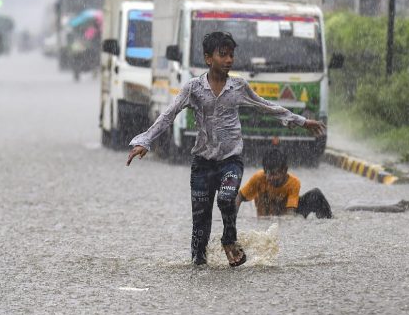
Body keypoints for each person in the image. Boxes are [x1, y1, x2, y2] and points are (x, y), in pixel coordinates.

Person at [126, 31, 326, 267]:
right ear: (208, 58)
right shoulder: (194, 88)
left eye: (231, 55)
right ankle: (198, 267)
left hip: (230, 161)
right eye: (223, 55)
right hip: (202, 164)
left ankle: (229, 240)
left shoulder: (238, 87)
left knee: (227, 196)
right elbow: (169, 115)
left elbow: (266, 107)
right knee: (200, 226)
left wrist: (302, 122)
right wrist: (145, 141)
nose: (229, 60)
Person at [236, 148, 333, 219]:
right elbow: (239, 197)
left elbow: (290, 214)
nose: (270, 178)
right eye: (267, 173)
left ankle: (329, 220)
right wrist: (231, 218)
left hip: (285, 215)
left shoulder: (293, 183)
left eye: (274, 174)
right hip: (264, 220)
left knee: (315, 194)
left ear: (284, 170)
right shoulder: (258, 179)